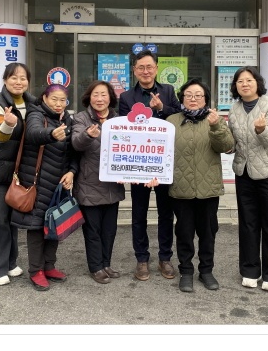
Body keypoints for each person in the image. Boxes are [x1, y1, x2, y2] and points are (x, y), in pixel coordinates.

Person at [166, 79, 234, 293]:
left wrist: (216, 127)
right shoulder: (171, 121)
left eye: (198, 95)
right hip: (181, 187)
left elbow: (227, 146)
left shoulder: (215, 120)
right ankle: (186, 271)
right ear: (182, 98)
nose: (193, 99)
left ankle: (206, 271)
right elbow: (161, 152)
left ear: (205, 99)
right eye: (188, 95)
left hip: (208, 188)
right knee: (184, 232)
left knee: (208, 232)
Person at [119, 49, 180, 281]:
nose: (146, 71)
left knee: (166, 214)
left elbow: (178, 117)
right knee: (139, 214)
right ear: (135, 71)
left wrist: (161, 109)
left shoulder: (168, 91)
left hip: (163, 162)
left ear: (156, 69)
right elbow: (124, 128)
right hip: (138, 163)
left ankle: (165, 258)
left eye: (149, 67)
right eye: (141, 67)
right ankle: (142, 259)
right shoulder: (126, 97)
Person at [10, 84, 79, 291]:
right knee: (37, 227)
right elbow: (33, 133)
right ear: (45, 98)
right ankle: (36, 270)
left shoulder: (67, 119)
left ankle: (49, 266)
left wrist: (71, 171)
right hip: (37, 181)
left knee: (54, 224)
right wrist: (51, 134)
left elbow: (73, 151)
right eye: (54, 99)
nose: (58, 104)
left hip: (58, 183)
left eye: (62, 100)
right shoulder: (36, 113)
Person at [227, 66, 268, 293]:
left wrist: (262, 130)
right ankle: (250, 270)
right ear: (235, 86)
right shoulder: (234, 109)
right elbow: (234, 143)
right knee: (248, 223)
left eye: (249, 80)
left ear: (257, 83)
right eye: (240, 81)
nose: (244, 84)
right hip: (244, 172)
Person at [0, 63, 36, 286]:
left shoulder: (32, 103)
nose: (18, 82)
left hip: (17, 171)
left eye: (23, 78)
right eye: (13, 78)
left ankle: (10, 263)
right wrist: (8, 125)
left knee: (12, 219)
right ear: (4, 80)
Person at [71, 80, 125, 284]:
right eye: (95, 94)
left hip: (112, 185)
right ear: (89, 97)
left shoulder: (118, 120)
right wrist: (87, 135)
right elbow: (76, 144)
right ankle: (96, 267)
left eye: (104, 94)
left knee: (109, 230)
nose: (100, 98)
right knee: (93, 230)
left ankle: (106, 263)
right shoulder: (81, 118)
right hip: (89, 183)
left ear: (110, 97)